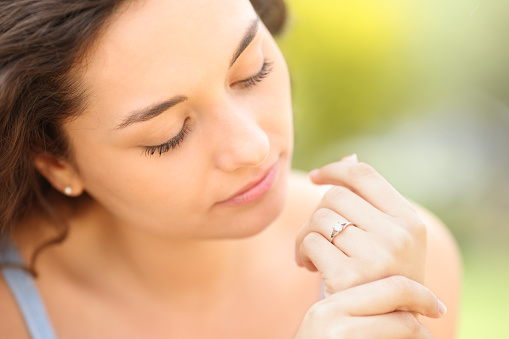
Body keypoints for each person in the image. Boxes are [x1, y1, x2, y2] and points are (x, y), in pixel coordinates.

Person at [0, 0, 460, 338]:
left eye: (252, 70)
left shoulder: (398, 263)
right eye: (169, 134)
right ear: (54, 160)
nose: (253, 148)